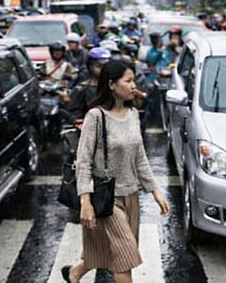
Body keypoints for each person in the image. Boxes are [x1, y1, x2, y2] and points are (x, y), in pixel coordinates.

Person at [62, 60, 169, 283]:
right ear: (111, 84)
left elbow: (140, 157)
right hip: (106, 198)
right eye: (128, 81)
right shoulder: (95, 116)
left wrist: (155, 190)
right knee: (125, 258)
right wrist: (85, 202)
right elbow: (83, 161)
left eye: (134, 81)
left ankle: (75, 273)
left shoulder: (133, 115)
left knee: (109, 251)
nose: (133, 86)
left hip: (131, 196)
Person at [63, 48, 111, 121]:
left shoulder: (115, 87)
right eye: (99, 66)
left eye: (106, 66)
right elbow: (76, 115)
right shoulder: (81, 90)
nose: (104, 69)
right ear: (91, 67)